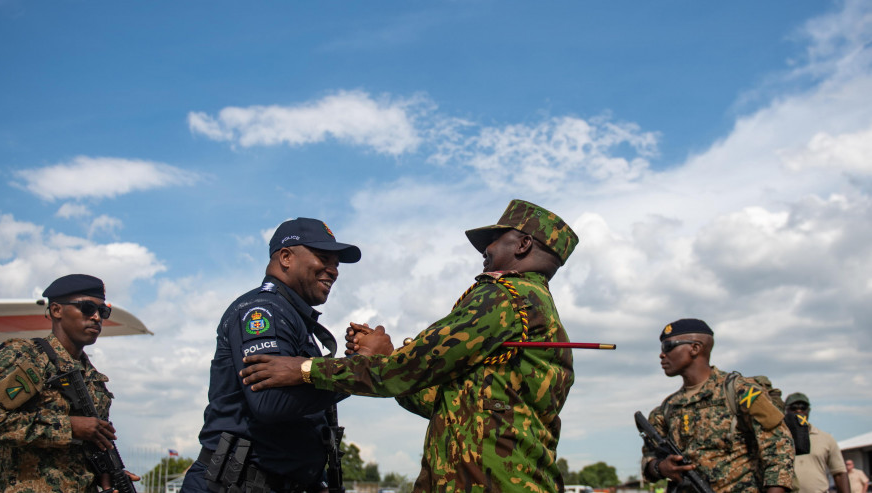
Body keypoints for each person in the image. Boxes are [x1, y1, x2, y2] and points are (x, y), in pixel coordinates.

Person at [240, 199, 579, 492]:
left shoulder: (503, 298)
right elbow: (432, 398)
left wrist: (304, 369)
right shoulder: (536, 309)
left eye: (495, 239)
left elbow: (402, 372)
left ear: (522, 245)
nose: (486, 250)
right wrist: (384, 357)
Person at [180, 217, 361, 493]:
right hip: (235, 484)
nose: (333, 271)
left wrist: (315, 481)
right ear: (286, 257)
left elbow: (301, 419)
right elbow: (270, 401)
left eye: (336, 264)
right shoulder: (264, 310)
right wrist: (358, 369)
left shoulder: (291, 314)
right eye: (324, 258)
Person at [0, 274, 134, 492]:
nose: (96, 317)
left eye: (102, 311)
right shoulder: (28, 357)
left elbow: (81, 453)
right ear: (56, 310)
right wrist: (69, 427)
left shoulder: (94, 379)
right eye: (87, 308)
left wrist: (106, 475)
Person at [640, 318, 795, 492]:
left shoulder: (741, 392)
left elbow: (779, 448)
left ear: (695, 348)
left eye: (668, 346)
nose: (662, 355)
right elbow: (649, 458)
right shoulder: (666, 409)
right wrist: (660, 468)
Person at [785, 392, 851, 493]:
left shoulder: (826, 438)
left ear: (808, 410)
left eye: (803, 407)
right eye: (793, 408)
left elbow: (839, 472)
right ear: (786, 410)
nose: (799, 410)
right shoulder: (778, 438)